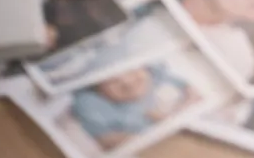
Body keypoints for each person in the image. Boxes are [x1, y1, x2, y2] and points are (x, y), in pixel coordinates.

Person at [70, 63, 198, 152]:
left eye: (130, 70)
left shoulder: (157, 76)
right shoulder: (96, 105)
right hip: (153, 148)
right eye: (112, 81)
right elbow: (107, 140)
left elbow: (192, 91)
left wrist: (179, 113)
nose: (127, 82)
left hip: (188, 133)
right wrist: (157, 128)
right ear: (98, 91)